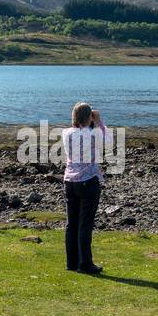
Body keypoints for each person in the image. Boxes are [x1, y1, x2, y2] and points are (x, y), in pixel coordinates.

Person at [62, 102, 111, 275]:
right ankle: (85, 264)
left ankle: (72, 262)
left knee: (72, 223)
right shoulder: (92, 135)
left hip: (69, 181)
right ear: (88, 117)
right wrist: (99, 121)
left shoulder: (66, 133)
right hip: (88, 181)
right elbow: (109, 141)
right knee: (85, 224)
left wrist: (90, 119)